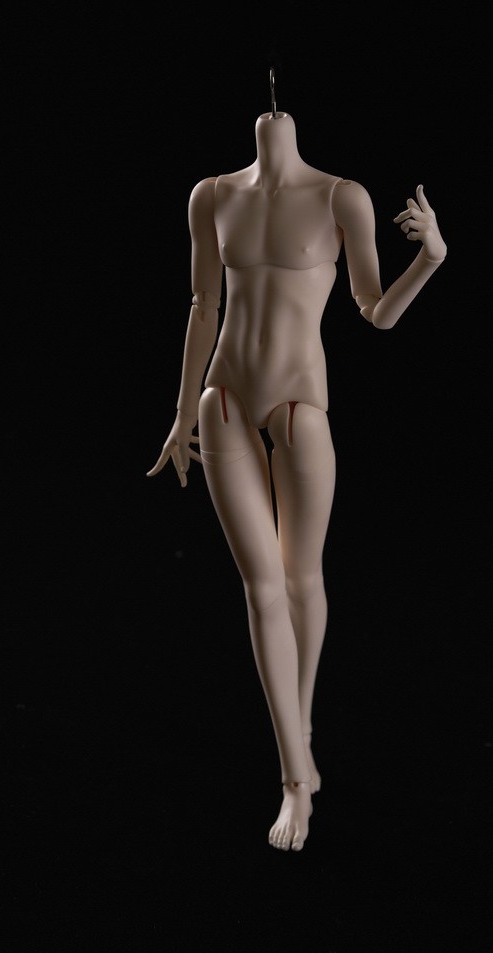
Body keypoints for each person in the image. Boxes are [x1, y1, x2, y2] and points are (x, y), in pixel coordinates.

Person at [147, 107, 447, 852]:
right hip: (223, 398)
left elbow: (375, 312)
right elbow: (203, 305)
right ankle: (293, 776)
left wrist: (431, 258)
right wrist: (180, 415)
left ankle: (300, 733)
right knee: (261, 588)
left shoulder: (342, 196)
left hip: (297, 406)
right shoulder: (212, 194)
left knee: (300, 579)